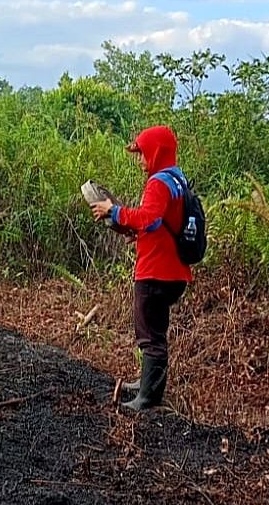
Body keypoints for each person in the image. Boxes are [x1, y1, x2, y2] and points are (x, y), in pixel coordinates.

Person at [89, 124, 193, 411]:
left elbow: (148, 216)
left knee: (149, 333)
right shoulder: (177, 180)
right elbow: (159, 222)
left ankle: (148, 398)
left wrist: (114, 211)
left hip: (156, 270)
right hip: (172, 269)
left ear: (156, 152)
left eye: (142, 153)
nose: (139, 160)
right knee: (155, 331)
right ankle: (147, 385)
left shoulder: (159, 182)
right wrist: (136, 231)